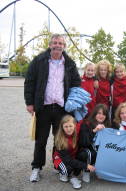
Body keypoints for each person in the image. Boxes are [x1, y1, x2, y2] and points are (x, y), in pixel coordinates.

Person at [24, 34, 81, 182]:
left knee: (60, 141)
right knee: (40, 140)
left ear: (64, 46)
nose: (57, 45)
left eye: (60, 43)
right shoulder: (39, 61)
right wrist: (29, 103)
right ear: (50, 45)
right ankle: (37, 167)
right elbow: (29, 82)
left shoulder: (69, 63)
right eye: (55, 42)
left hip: (62, 108)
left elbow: (76, 83)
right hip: (43, 107)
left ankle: (60, 167)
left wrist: (73, 102)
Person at [53, 115, 95, 189]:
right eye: (66, 126)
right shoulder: (59, 140)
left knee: (83, 155)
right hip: (61, 159)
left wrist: (96, 129)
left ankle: (74, 175)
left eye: (70, 126)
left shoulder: (76, 131)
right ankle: (63, 173)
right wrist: (86, 166)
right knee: (67, 170)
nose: (69, 129)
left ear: (75, 125)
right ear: (62, 127)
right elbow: (68, 160)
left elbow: (83, 121)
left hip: (72, 155)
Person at [77, 104, 111, 182]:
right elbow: (83, 142)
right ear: (94, 113)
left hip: (99, 149)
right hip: (86, 149)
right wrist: (94, 131)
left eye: (104, 114)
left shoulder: (107, 126)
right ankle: (86, 170)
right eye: (99, 113)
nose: (101, 116)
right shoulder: (86, 124)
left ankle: (101, 170)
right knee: (87, 153)